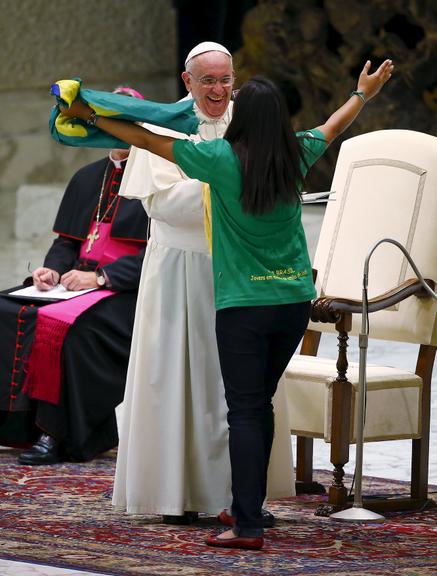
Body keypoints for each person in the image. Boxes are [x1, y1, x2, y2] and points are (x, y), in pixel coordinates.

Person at [62, 56, 393, 547]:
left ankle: (247, 524)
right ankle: (249, 506)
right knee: (261, 405)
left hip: (245, 304)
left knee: (242, 409)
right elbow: (333, 125)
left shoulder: (219, 161)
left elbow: (147, 140)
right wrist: (364, 93)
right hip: (294, 301)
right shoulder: (297, 150)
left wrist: (92, 118)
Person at [0, 86, 148, 465]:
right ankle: (15, 426)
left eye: (127, 126)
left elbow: (161, 253)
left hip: (129, 291)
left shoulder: (159, 179)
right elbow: (68, 241)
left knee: (59, 327)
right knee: (6, 309)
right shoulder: (87, 177)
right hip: (73, 285)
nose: (121, 136)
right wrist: (51, 270)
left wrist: (102, 278)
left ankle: (56, 433)